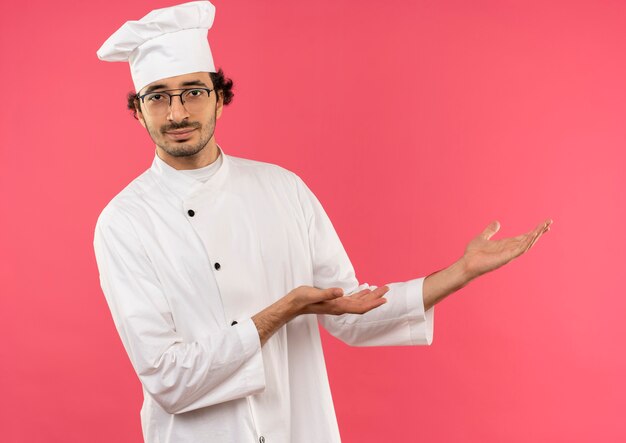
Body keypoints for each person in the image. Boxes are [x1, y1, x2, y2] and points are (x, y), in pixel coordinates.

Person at [94, 2, 552, 442]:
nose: (177, 113)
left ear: (219, 98)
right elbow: (168, 380)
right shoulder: (125, 222)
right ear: (138, 111)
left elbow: (350, 313)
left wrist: (461, 272)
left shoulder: (283, 189)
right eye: (158, 97)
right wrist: (285, 309)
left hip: (299, 428)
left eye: (193, 92)